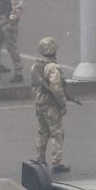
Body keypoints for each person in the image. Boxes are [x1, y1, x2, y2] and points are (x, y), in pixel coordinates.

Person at [32, 37, 70, 173]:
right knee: (57, 132)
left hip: (39, 102)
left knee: (42, 131)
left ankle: (40, 158)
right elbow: (56, 88)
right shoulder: (52, 67)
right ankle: (56, 162)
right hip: (50, 104)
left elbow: (34, 85)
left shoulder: (36, 65)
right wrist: (63, 104)